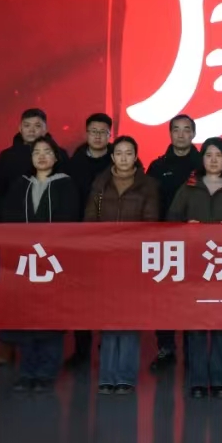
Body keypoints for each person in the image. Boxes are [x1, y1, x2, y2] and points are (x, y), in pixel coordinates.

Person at [167, 138, 222, 399]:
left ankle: (219, 381)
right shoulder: (189, 187)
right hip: (194, 264)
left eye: (219, 155)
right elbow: (171, 221)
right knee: (195, 325)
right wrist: (186, 227)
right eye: (208, 155)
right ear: (202, 159)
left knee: (221, 324)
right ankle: (197, 380)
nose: (214, 160)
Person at [1, 136, 81, 393]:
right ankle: (27, 372)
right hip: (25, 262)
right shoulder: (20, 185)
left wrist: (47, 243)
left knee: (50, 319)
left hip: (53, 261)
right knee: (26, 318)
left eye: (47, 151)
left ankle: (46, 372)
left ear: (56, 157)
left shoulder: (66, 184)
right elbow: (8, 219)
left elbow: (69, 219)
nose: (42, 156)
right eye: (37, 152)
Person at [85, 136, 160, 396]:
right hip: (105, 260)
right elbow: (90, 220)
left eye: (129, 153)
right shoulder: (100, 183)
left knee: (128, 318)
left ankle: (125, 376)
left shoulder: (148, 185)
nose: (124, 157)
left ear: (136, 156)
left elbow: (151, 223)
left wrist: (127, 244)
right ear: (112, 157)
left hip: (134, 260)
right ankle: (107, 375)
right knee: (108, 319)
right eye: (119, 153)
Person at [146, 114, 200, 370]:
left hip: (198, 242)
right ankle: (166, 348)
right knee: (164, 296)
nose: (181, 134)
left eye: (186, 129)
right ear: (170, 134)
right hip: (165, 241)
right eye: (176, 129)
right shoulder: (158, 166)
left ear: (194, 134)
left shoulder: (204, 163)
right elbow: (150, 201)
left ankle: (192, 349)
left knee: (193, 295)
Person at [64, 113, 116, 367]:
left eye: (102, 132)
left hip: (112, 239)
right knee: (80, 296)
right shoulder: (73, 163)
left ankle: (107, 346)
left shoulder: (119, 158)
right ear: (86, 133)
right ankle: (81, 349)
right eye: (93, 131)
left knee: (110, 294)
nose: (97, 136)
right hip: (79, 237)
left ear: (110, 135)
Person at [0, 108, 69, 198]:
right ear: (20, 128)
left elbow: (67, 189)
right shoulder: (7, 156)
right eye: (27, 125)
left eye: (37, 126)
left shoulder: (59, 154)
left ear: (46, 129)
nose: (31, 130)